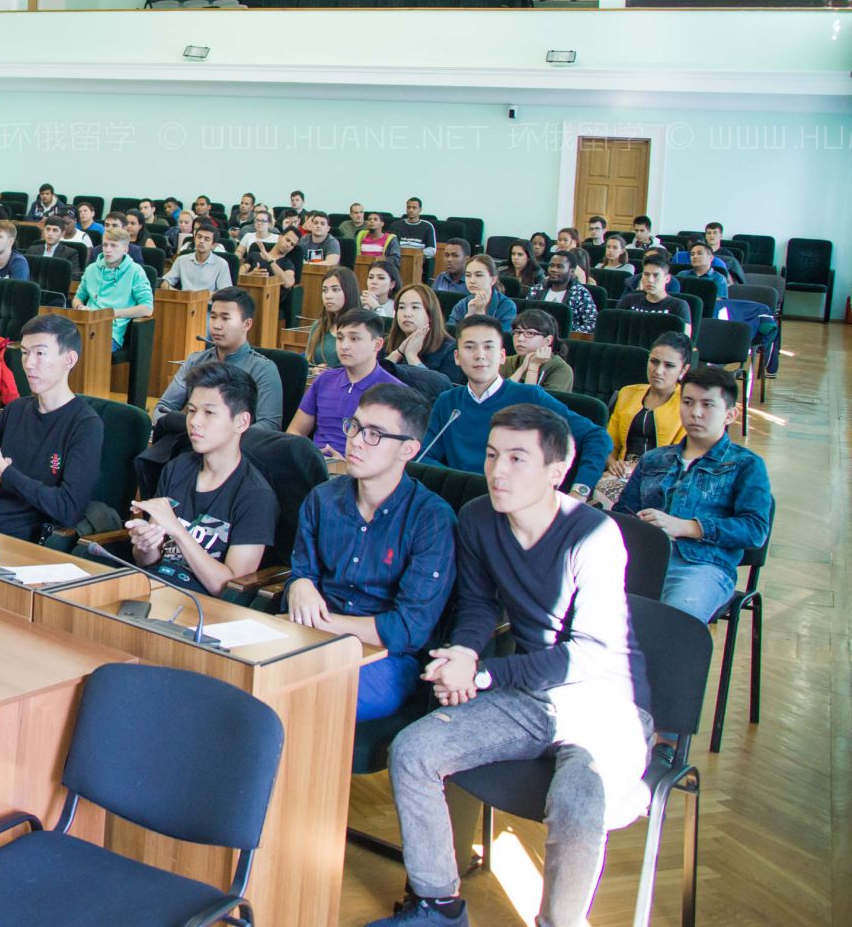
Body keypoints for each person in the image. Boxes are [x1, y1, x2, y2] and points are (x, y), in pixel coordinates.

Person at [369, 404, 650, 927]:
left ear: (556, 468)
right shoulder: (479, 517)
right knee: (413, 749)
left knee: (576, 798)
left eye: (518, 459)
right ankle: (437, 905)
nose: (497, 471)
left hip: (603, 701)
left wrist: (482, 675)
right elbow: (478, 606)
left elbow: (590, 654)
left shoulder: (594, 535)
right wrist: (465, 652)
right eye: (493, 455)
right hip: (531, 696)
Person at [286, 382, 456, 721]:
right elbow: (302, 574)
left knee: (300, 698)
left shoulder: (431, 519)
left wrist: (325, 623)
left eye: (374, 435)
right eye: (355, 427)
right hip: (309, 638)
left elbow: (407, 631)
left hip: (383, 658)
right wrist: (299, 585)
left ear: (408, 450)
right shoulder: (323, 499)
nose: (356, 441)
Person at [614, 366, 773, 622]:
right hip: (642, 561)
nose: (695, 413)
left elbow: (754, 529)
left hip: (702, 567)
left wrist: (688, 527)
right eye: (687, 402)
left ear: (730, 414)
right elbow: (622, 514)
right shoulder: (655, 459)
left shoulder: (745, 465)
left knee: (670, 624)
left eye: (708, 405)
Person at [419, 316, 612, 491]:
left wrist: (580, 490)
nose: (480, 355)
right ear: (457, 358)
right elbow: (425, 457)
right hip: (459, 498)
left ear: (502, 356)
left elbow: (596, 436)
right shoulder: (448, 402)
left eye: (488, 347)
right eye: (469, 347)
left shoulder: (529, 396)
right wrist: (462, 485)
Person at [0, 314, 102, 540]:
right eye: (24, 353)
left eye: (40, 353)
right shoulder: (15, 410)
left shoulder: (85, 425)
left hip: (28, 542)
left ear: (69, 360)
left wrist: (5, 472)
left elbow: (68, 508)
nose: (29, 363)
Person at [132, 363, 275, 595]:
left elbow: (230, 590)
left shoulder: (256, 496)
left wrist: (178, 530)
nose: (194, 422)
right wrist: (144, 544)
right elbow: (146, 562)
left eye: (209, 412)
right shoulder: (177, 468)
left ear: (241, 422)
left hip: (204, 610)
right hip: (155, 591)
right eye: (191, 410)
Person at [154, 285, 284, 431]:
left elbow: (269, 425)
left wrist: (221, 436)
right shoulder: (195, 361)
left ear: (246, 324)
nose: (216, 325)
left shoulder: (263, 369)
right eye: (213, 317)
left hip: (238, 449)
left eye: (225, 318)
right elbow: (163, 408)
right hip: (190, 439)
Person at [292, 308, 405, 457]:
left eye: (354, 339)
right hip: (315, 466)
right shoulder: (324, 379)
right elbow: (295, 431)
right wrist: (308, 457)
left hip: (359, 471)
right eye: (340, 338)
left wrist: (347, 465)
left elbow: (393, 455)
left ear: (377, 344)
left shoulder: (395, 392)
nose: (344, 346)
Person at [604, 332, 692, 476]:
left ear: (683, 370)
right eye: (654, 361)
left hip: (661, 480)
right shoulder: (627, 393)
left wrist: (634, 469)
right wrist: (613, 465)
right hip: (619, 475)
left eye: (669, 365)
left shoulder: (689, 404)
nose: (658, 371)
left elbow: (678, 459)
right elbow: (608, 445)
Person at [76, 229, 153, 351]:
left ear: (125, 249)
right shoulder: (91, 269)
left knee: (86, 350)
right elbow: (78, 298)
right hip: (86, 324)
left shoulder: (135, 271)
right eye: (105, 245)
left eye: (113, 245)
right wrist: (80, 307)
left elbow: (147, 308)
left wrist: (112, 314)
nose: (107, 249)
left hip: (110, 332)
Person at [387, 284, 459, 378]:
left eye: (415, 307)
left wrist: (412, 356)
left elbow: (441, 389)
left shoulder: (450, 350)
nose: (407, 314)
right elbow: (371, 380)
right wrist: (398, 353)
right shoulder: (386, 343)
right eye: (401, 307)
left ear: (430, 314)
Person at [502, 307, 574, 391]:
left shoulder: (561, 370)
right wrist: (521, 369)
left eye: (530, 333)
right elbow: (493, 398)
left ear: (547, 340)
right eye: (517, 332)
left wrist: (533, 366)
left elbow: (532, 402)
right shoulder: (506, 362)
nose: (520, 338)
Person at [304, 266, 362, 369]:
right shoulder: (318, 326)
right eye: (324, 290)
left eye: (335, 290)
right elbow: (307, 364)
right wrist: (313, 371)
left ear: (349, 291)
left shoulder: (362, 327)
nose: (328, 296)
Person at [616, 256, 692, 333]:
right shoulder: (629, 300)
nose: (650, 280)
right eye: (646, 274)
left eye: (656, 275)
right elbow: (615, 330)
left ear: (667, 279)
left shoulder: (679, 306)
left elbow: (684, 340)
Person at [161, 218, 234, 297]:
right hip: (184, 301)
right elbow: (165, 282)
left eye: (206, 239)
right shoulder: (181, 260)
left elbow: (225, 293)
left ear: (213, 245)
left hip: (207, 305)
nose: (201, 241)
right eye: (199, 237)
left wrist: (199, 295)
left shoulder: (221, 264)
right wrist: (179, 293)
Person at [531, 248, 599, 333]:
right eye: (551, 265)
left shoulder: (580, 293)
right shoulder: (537, 289)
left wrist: (569, 332)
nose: (553, 269)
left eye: (559, 267)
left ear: (572, 271)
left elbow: (593, 322)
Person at [446, 254, 517, 328]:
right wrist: (468, 317)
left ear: (492, 280)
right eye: (468, 275)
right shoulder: (462, 305)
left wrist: (480, 315)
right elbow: (450, 334)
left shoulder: (507, 306)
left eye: (478, 275)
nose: (472, 281)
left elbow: (503, 337)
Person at [246, 227, 302, 319]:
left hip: (270, 302)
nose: (288, 245)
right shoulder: (254, 255)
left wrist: (270, 260)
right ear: (280, 237)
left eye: (292, 244)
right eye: (287, 240)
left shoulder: (287, 263)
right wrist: (250, 275)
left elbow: (288, 283)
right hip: (247, 295)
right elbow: (238, 276)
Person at [391, 196, 438, 269]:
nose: (411, 210)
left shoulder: (427, 226)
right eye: (408, 207)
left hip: (418, 261)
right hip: (398, 260)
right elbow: (389, 246)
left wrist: (414, 253)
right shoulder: (396, 225)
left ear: (420, 209)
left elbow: (432, 249)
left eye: (414, 208)